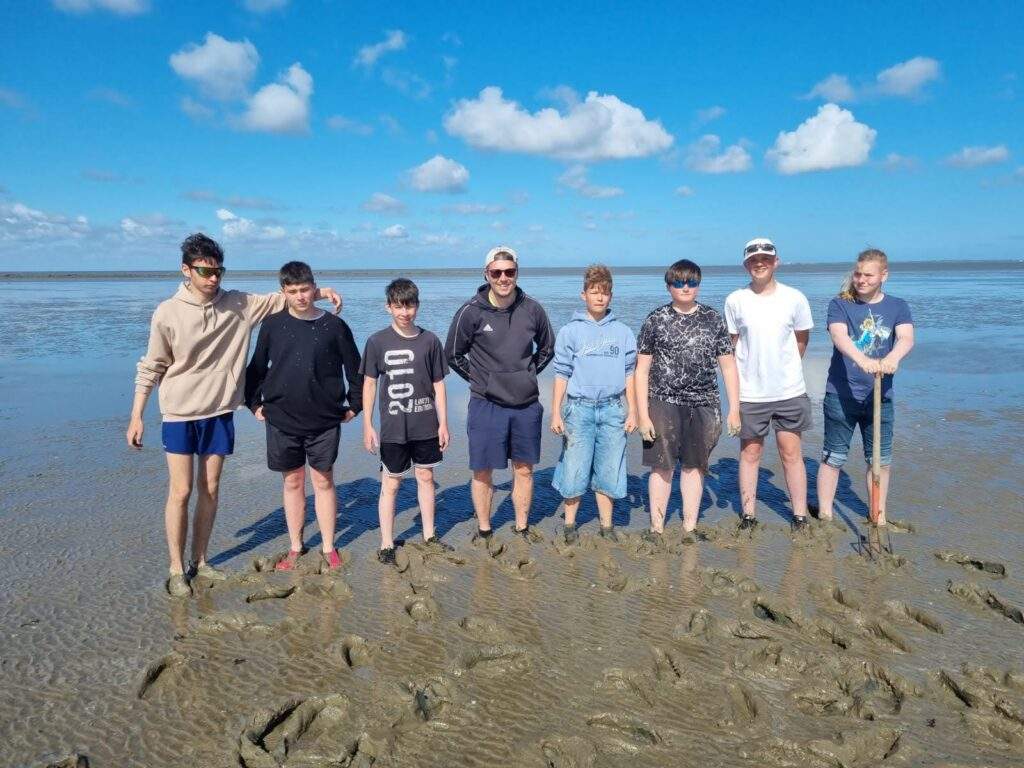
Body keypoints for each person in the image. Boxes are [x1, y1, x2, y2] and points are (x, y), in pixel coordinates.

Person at [127, 235, 341, 597]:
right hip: (179, 413)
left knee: (210, 490)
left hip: (220, 412)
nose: (213, 278)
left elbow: (282, 297)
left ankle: (202, 561)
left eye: (218, 271)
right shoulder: (167, 311)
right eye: (205, 271)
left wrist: (321, 293)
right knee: (180, 491)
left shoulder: (238, 303)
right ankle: (177, 569)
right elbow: (152, 365)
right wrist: (137, 414)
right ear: (186, 269)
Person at [245, 261, 362, 572]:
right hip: (281, 418)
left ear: (315, 288)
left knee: (323, 481)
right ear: (284, 292)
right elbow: (256, 368)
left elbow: (355, 369)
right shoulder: (272, 325)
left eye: (305, 290)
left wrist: (355, 405)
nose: (300, 296)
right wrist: (254, 404)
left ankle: (328, 545)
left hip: (324, 418)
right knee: (293, 482)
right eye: (293, 291)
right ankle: (296, 545)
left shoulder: (335, 327)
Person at [445, 246, 554, 540]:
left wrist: (526, 377)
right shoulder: (471, 311)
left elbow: (547, 349)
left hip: (525, 405)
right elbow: (453, 355)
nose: (503, 278)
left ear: (517, 272)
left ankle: (521, 526)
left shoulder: (533, 308)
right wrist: (483, 381)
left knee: (524, 469)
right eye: (497, 272)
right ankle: (484, 529)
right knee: (482, 470)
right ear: (486, 274)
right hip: (486, 404)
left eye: (509, 272)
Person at [636, 259, 740, 541]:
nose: (685, 287)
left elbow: (728, 366)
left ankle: (689, 527)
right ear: (669, 285)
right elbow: (641, 370)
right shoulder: (655, 319)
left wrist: (735, 410)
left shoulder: (713, 318)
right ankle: (656, 527)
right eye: (679, 282)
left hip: (704, 403)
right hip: (662, 402)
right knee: (662, 465)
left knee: (695, 466)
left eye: (691, 282)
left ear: (699, 284)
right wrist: (642, 415)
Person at [816, 248, 914, 524]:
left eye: (868, 275)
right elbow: (839, 336)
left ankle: (878, 515)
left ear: (884, 275)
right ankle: (825, 513)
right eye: (858, 274)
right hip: (841, 394)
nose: (861, 279)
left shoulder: (898, 306)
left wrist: (892, 358)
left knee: (879, 460)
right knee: (833, 456)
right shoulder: (840, 304)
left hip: (880, 395)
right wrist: (863, 360)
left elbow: (905, 338)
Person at [724, 237, 813, 531]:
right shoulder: (735, 300)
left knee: (791, 452)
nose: (759, 263)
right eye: (753, 259)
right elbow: (730, 349)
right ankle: (749, 514)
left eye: (765, 258)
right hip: (751, 392)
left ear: (776, 262)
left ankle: (799, 514)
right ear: (746, 265)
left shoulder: (795, 298)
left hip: (789, 390)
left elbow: (801, 340)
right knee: (750, 454)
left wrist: (783, 370)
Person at [361, 278, 451, 565]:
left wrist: (443, 423)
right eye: (398, 306)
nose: (405, 312)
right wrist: (367, 424)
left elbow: (439, 384)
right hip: (393, 427)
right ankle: (387, 542)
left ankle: (428, 536)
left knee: (426, 477)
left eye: (409, 305)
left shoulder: (430, 340)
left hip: (425, 423)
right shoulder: (377, 342)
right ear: (388, 307)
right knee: (392, 482)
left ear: (417, 306)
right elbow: (370, 385)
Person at [549, 265, 638, 544]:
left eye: (605, 293)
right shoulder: (570, 331)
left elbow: (629, 374)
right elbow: (561, 373)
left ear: (611, 296)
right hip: (579, 408)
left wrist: (632, 410)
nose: (600, 298)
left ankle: (606, 526)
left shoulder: (623, 332)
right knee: (574, 467)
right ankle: (570, 524)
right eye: (594, 292)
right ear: (583, 294)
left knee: (609, 467)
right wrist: (556, 412)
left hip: (613, 409)